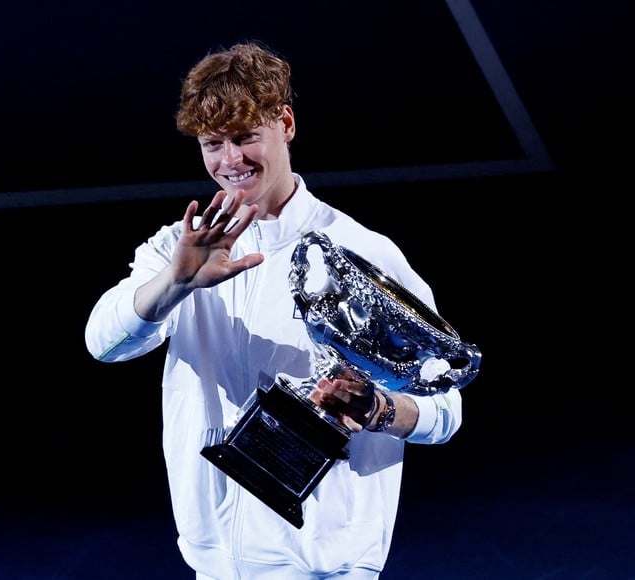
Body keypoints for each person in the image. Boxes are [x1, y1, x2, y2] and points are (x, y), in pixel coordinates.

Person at [85, 40, 463, 579]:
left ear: (285, 123)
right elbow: (104, 343)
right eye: (213, 143)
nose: (230, 160)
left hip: (326, 568)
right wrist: (177, 281)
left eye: (245, 138)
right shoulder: (179, 248)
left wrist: (380, 409)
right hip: (213, 564)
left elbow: (445, 409)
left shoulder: (363, 253)